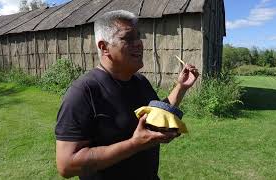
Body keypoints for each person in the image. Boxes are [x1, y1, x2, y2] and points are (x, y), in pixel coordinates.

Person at [55, 10, 199, 180]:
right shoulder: (84, 92)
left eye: (138, 37)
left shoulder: (140, 81)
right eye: (128, 38)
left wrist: (181, 87)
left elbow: (154, 116)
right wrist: (134, 144)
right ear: (104, 47)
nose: (139, 43)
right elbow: (66, 165)